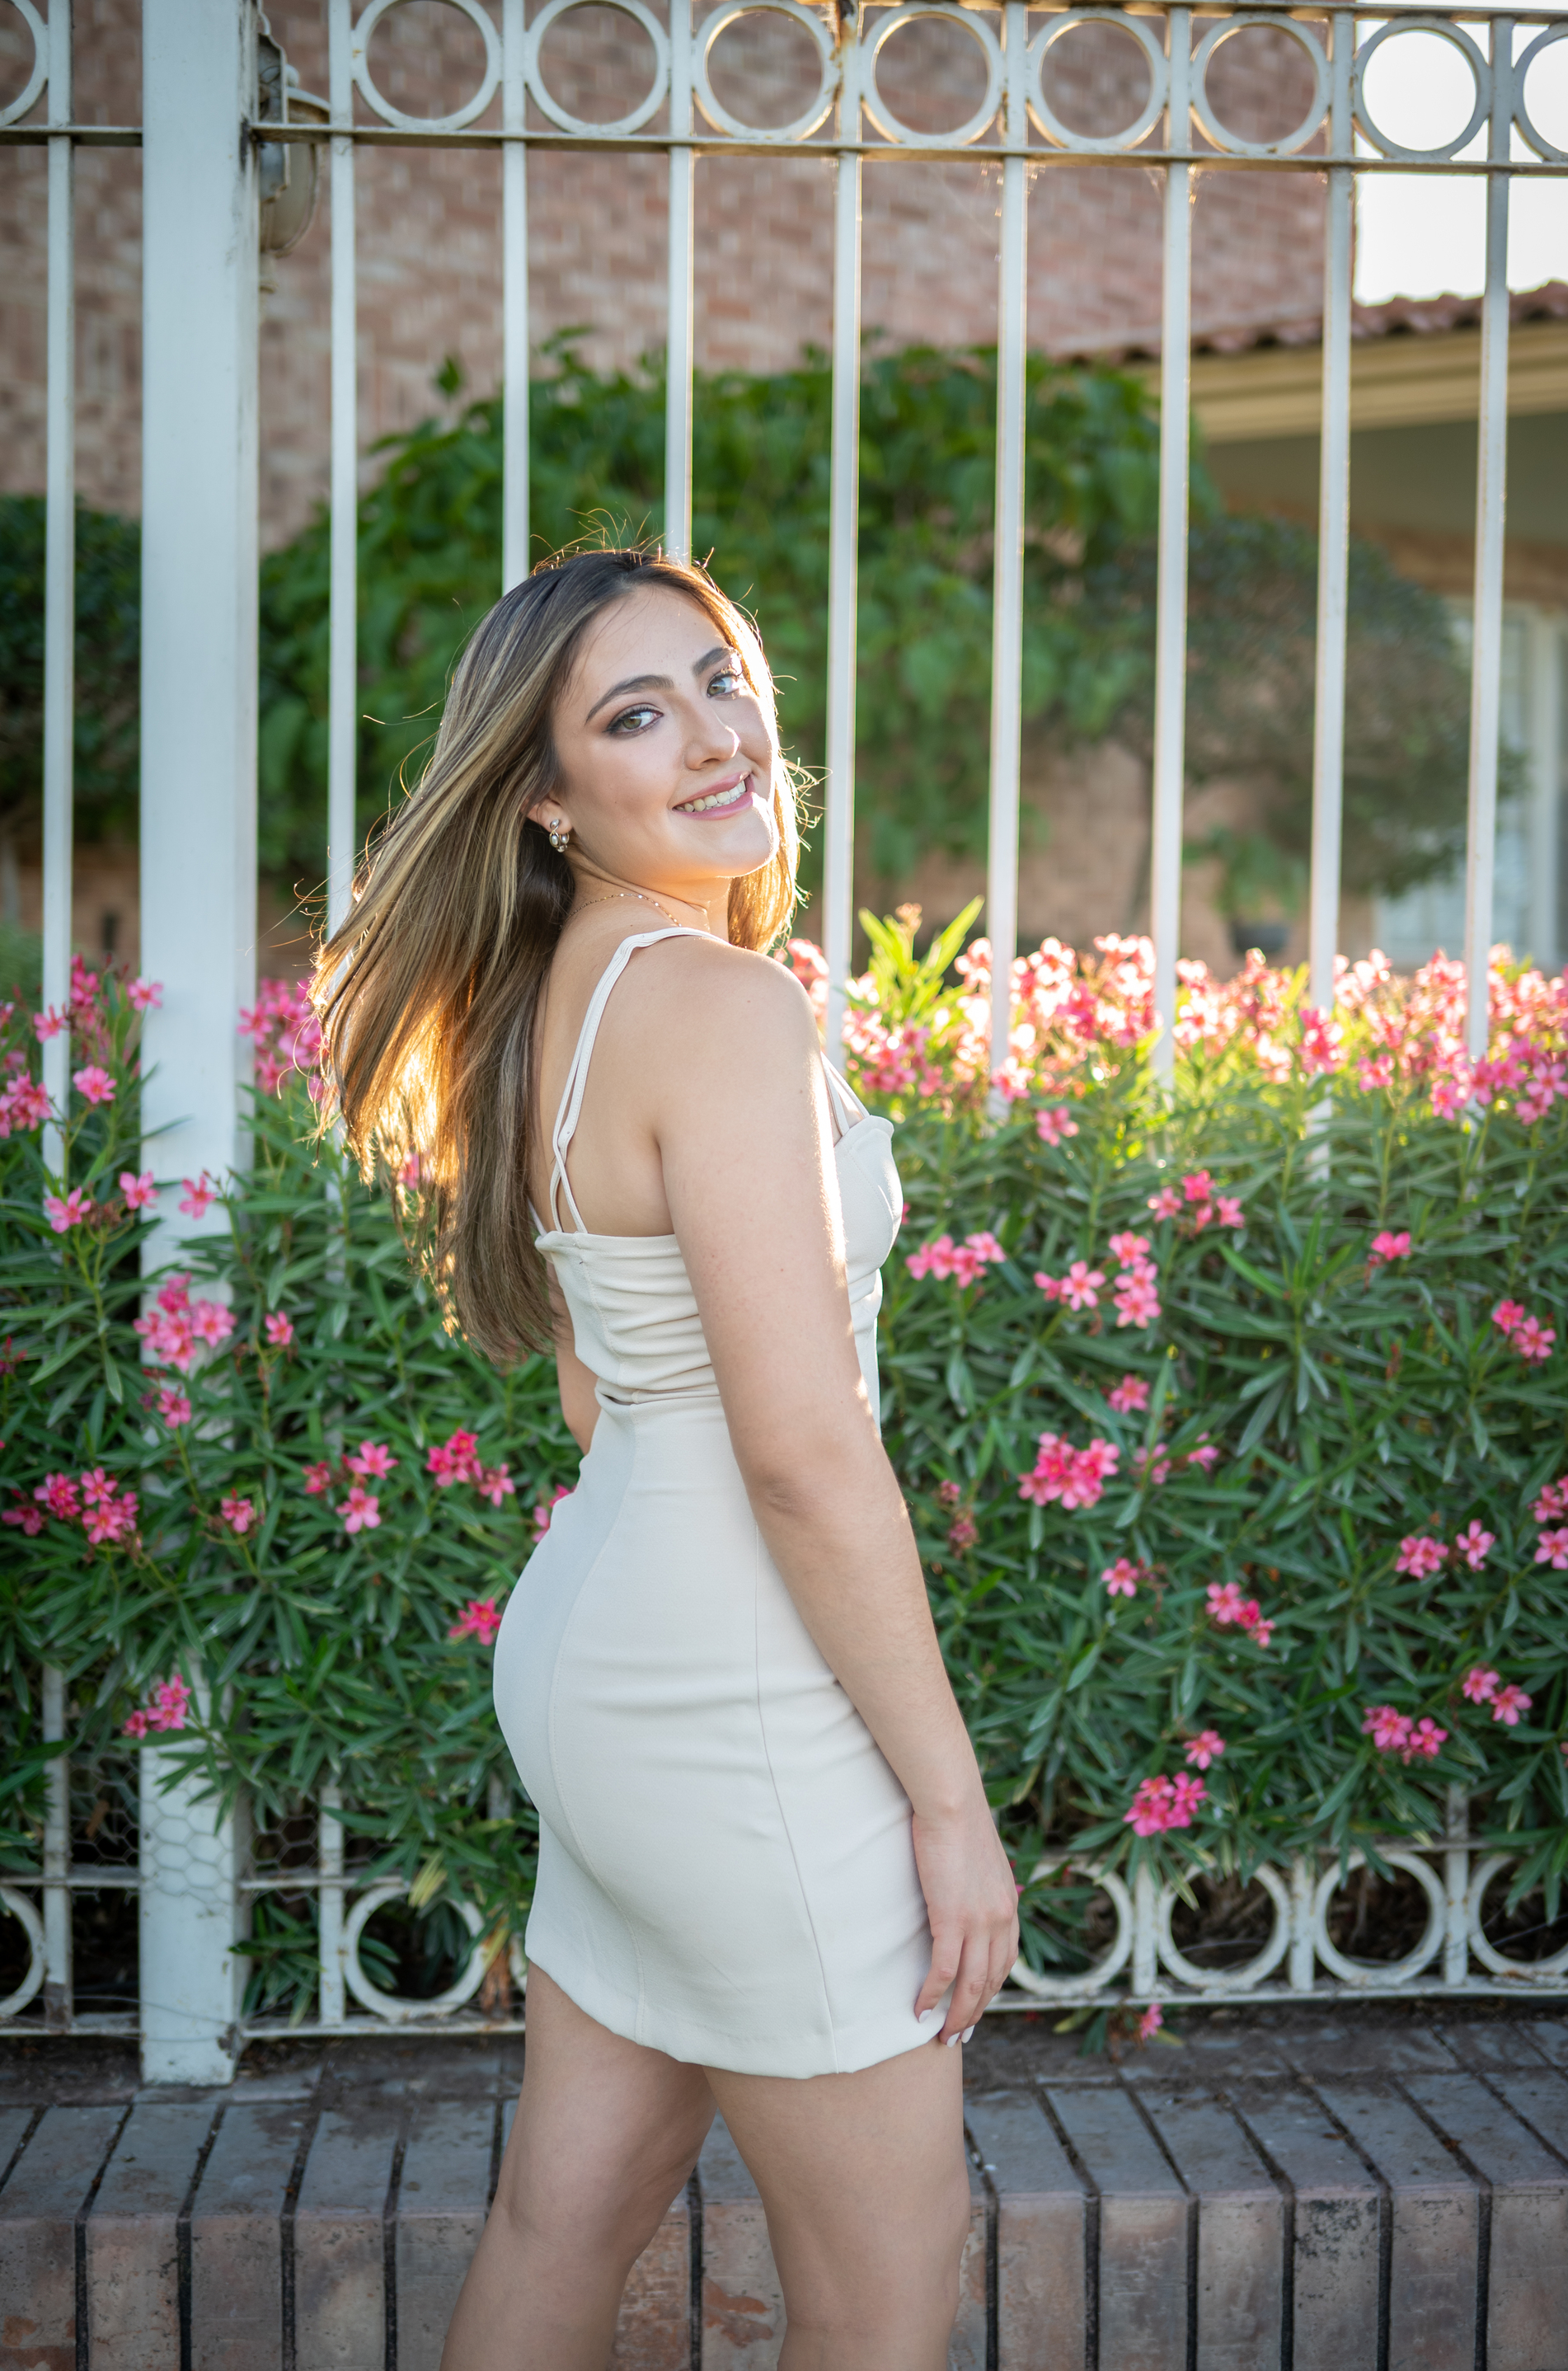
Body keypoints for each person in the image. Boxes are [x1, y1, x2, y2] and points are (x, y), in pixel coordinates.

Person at [314, 547, 1021, 2370]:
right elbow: (800, 1453)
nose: (717, 735)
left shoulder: (560, 998)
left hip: (607, 1656)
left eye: (721, 679)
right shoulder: (716, 1005)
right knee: (884, 2290)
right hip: (738, 1698)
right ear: (546, 796)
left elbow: (601, 1399)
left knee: (567, 2218)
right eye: (638, 713)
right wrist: (948, 1803)